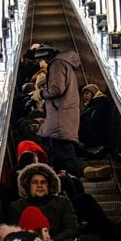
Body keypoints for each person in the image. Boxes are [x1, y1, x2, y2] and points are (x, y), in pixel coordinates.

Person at [38, 47, 83, 177]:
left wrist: (41, 93)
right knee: (60, 156)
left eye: (41, 60)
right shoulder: (64, 64)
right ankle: (68, 187)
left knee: (65, 156)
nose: (41, 63)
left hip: (60, 118)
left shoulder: (57, 64)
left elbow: (57, 89)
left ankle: (76, 189)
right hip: (63, 117)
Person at [78, 84, 112, 151]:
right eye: (84, 94)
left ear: (93, 93)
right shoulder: (93, 104)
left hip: (96, 138)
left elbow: (93, 120)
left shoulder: (100, 103)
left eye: (87, 93)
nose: (85, 96)